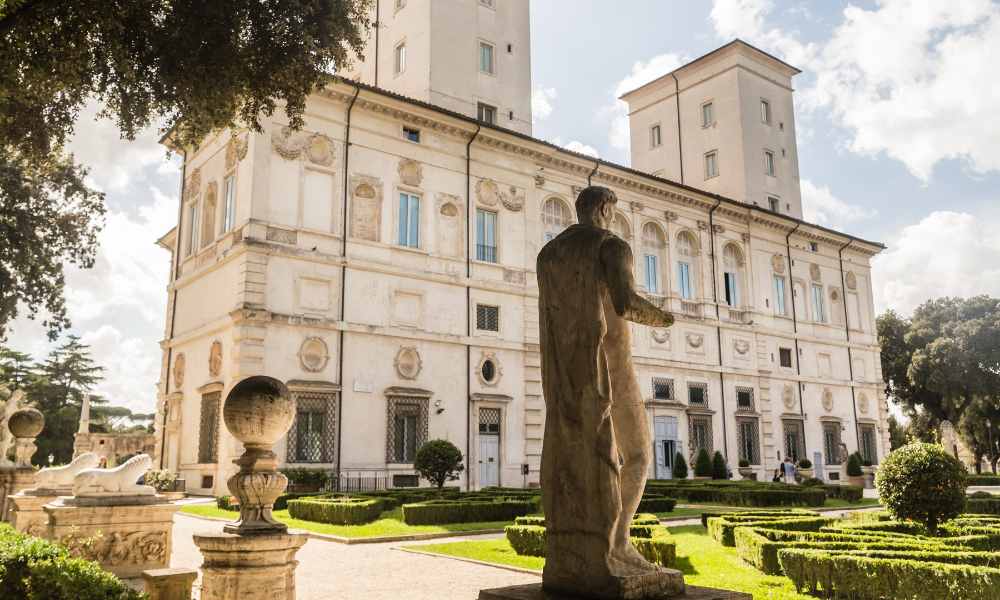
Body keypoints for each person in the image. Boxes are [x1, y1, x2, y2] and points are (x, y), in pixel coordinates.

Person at [537, 186, 682, 598]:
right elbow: (624, 302)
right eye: (611, 212)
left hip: (564, 370)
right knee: (636, 454)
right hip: (611, 365)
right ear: (604, 210)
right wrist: (665, 318)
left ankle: (573, 552)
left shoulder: (548, 255)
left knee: (573, 454)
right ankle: (616, 546)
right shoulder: (611, 246)